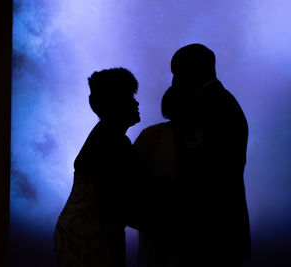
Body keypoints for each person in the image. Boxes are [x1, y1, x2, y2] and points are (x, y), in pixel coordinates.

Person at [135, 44, 251, 267]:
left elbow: (206, 171)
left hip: (210, 228)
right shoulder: (220, 102)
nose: (173, 81)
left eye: (176, 73)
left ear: (192, 70)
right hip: (212, 227)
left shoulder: (213, 106)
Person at [54, 67, 141, 267]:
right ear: (116, 103)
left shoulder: (107, 136)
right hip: (89, 236)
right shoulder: (113, 141)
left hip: (83, 232)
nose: (136, 103)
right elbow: (114, 201)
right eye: (130, 97)